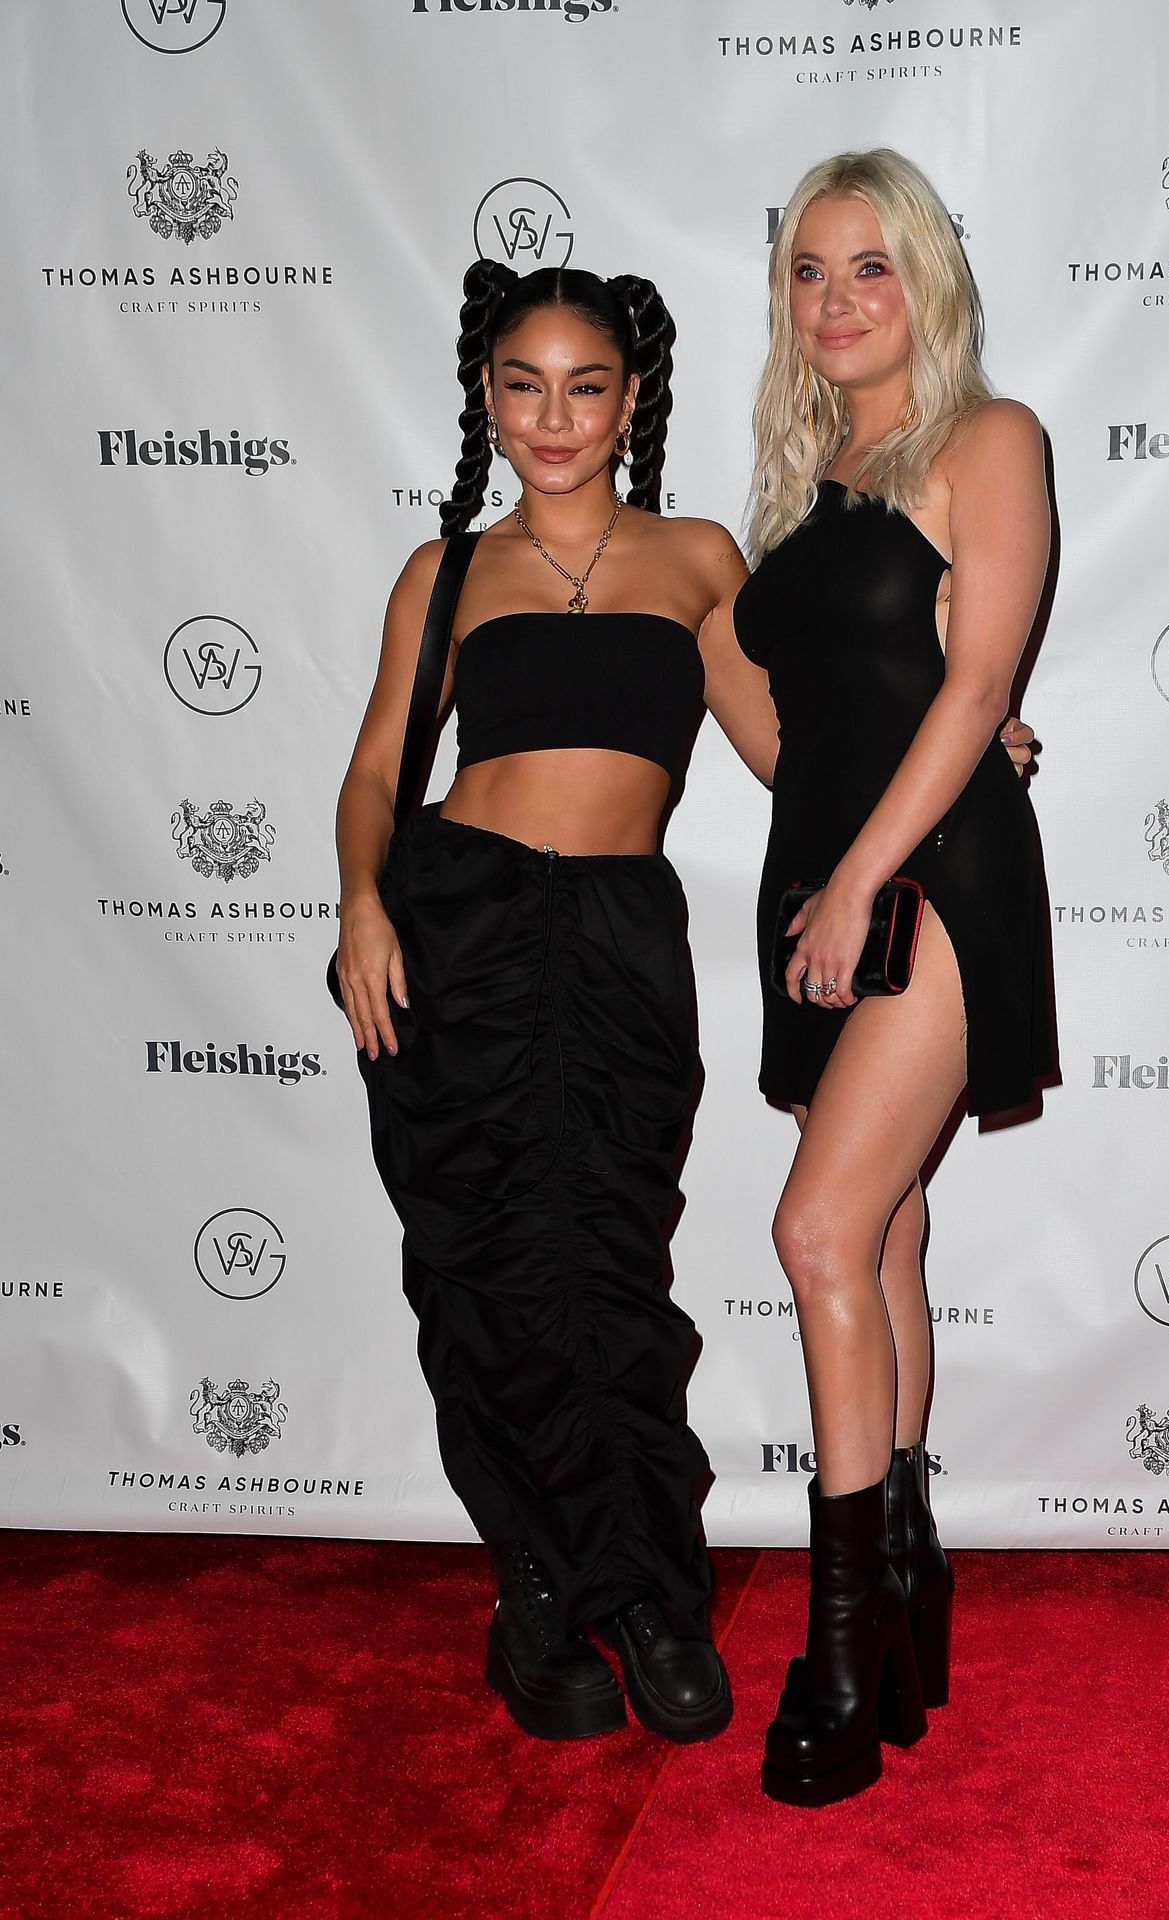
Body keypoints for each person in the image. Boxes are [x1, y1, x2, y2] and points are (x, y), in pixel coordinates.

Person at [333, 260, 783, 1745]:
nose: (553, 416)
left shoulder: (697, 558)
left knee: (611, 1267)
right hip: (459, 927)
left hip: (617, 938)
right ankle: (535, 1592)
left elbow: (787, 752)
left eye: (585, 386)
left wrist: (954, 739)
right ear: (487, 395)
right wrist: (362, 904)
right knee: (489, 1276)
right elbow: (377, 767)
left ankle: (649, 1593)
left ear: (630, 399)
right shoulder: (447, 571)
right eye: (522, 385)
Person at [729, 149, 1056, 1806]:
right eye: (808, 269)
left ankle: (844, 1653)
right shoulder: (798, 487)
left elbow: (977, 680)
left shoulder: (984, 440)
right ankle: (911, 1586)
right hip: (818, 882)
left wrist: (864, 874)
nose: (837, 298)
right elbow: (799, 725)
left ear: (924, 278)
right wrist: (820, 871)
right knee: (888, 1231)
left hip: (927, 883)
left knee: (815, 1233)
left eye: (868, 265)